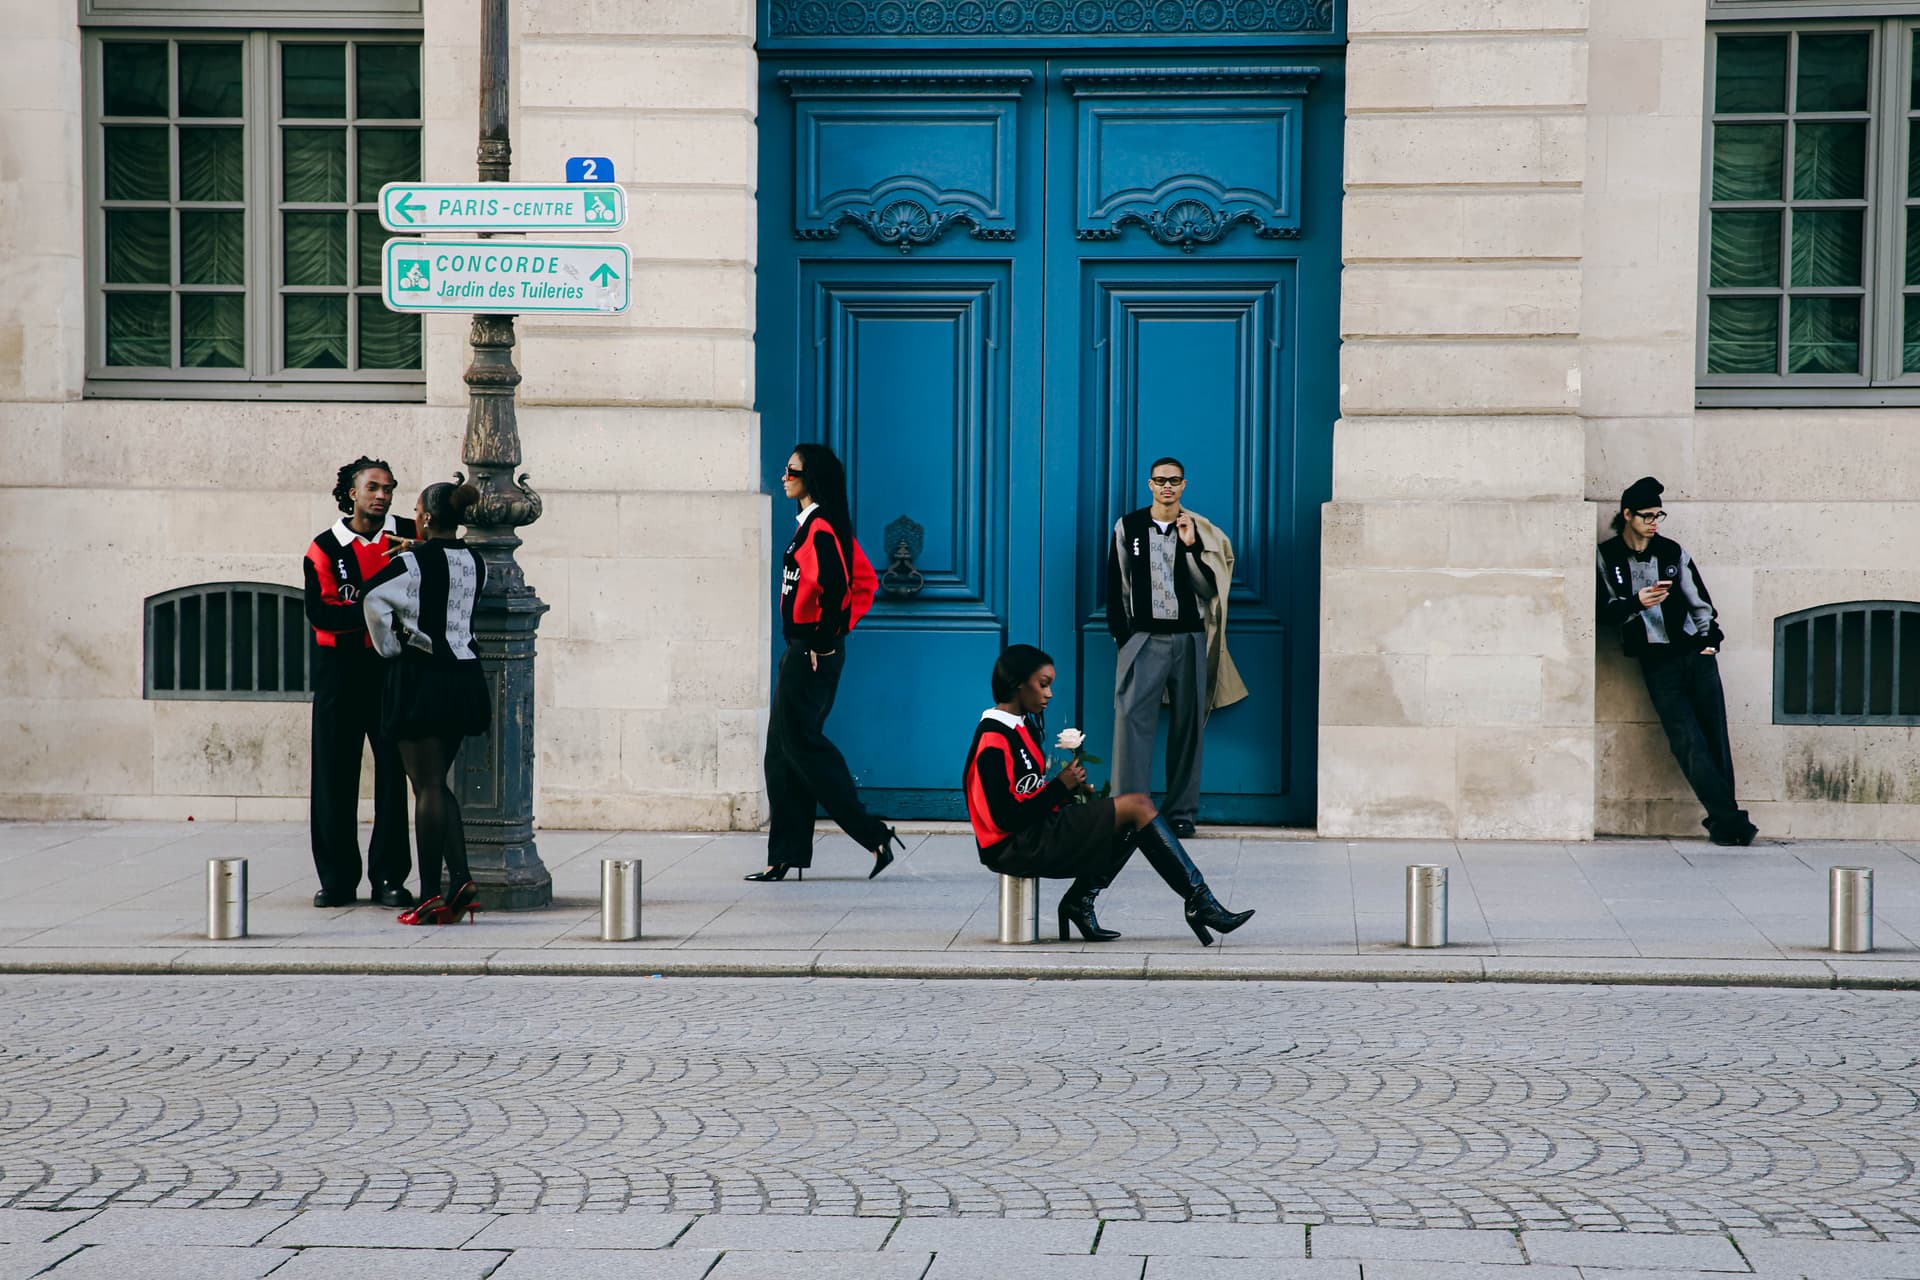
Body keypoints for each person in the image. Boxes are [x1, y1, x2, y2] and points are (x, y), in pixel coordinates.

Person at [963, 644, 1255, 945]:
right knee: (1138, 806)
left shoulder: (1020, 728)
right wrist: (1060, 787)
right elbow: (1005, 817)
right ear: (1017, 684)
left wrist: (1067, 793)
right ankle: (1199, 902)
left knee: (1131, 819)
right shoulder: (994, 739)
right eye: (1043, 684)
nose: (1049, 694)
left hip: (1033, 834)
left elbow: (1026, 798)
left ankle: (1081, 901)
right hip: (1013, 846)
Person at [748, 443, 902, 882]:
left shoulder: (821, 529)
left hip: (810, 651)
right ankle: (785, 855)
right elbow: (859, 580)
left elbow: (839, 587)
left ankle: (873, 834)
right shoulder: (813, 526)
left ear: (811, 476)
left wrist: (825, 640)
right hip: (802, 650)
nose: (784, 476)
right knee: (781, 753)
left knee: (804, 747)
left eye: (791, 470)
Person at [1597, 476, 1758, 847]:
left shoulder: (1672, 551)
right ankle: (1731, 822)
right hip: (1657, 662)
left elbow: (1699, 601)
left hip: (1694, 654)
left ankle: (1726, 823)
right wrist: (1638, 602)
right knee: (1686, 741)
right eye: (1647, 516)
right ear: (1627, 515)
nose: (1654, 522)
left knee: (1715, 738)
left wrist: (1709, 643)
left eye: (1659, 515)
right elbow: (1605, 611)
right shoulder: (1607, 557)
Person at [361, 482, 492, 925]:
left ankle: (431, 894)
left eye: (416, 510)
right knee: (437, 782)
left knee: (426, 785)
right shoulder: (476, 561)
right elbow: (445, 574)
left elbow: (373, 598)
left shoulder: (410, 562)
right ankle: (461, 880)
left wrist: (390, 646)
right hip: (464, 677)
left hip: (422, 676)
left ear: (427, 519)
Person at [1105, 456, 1247, 839]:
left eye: (1174, 480)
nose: (1167, 486)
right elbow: (1117, 584)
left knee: (1188, 725)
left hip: (1189, 638)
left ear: (1184, 486)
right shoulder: (1128, 526)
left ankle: (1181, 813)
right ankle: (1129, 811)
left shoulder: (1199, 530)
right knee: (1131, 721)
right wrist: (1124, 638)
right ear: (1149, 485)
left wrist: (1187, 547)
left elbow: (1207, 589)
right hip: (1144, 638)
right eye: (1160, 480)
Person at [304, 456, 416, 909]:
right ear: (352, 492)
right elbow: (322, 614)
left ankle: (389, 878)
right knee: (333, 777)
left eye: (388, 488)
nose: (382, 495)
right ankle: (336, 879)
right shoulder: (323, 548)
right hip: (340, 675)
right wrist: (379, 612)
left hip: (393, 673)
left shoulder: (409, 534)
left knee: (393, 776)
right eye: (373, 487)